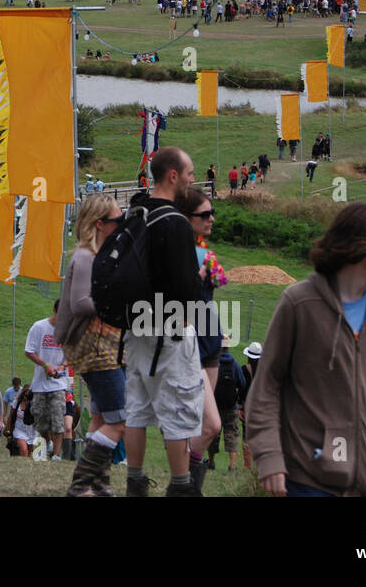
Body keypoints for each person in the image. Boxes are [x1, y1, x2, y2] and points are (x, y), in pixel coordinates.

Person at [246, 202, 366, 497]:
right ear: (362, 248)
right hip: (304, 479)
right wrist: (269, 457)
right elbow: (266, 385)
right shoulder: (299, 303)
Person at [123, 146, 205, 497]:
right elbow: (188, 288)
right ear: (173, 175)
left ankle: (135, 481)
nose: (192, 179)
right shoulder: (175, 223)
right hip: (170, 328)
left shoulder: (134, 211)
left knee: (138, 407)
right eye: (189, 172)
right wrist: (201, 277)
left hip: (135, 324)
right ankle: (181, 486)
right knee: (178, 407)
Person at [54, 192, 127, 496]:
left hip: (104, 346)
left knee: (100, 418)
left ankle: (99, 485)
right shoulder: (85, 257)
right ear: (100, 223)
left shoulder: (99, 256)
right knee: (122, 419)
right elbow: (82, 302)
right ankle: (81, 484)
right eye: (117, 220)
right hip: (96, 349)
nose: (122, 224)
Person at [23, 301, 70, 461]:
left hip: (59, 383)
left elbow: (71, 352)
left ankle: (56, 455)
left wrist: (63, 366)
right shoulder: (39, 327)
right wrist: (46, 365)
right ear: (54, 311)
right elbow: (29, 351)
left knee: (58, 419)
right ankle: (47, 442)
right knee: (40, 421)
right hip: (40, 383)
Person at [207, 337, 245, 472]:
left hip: (215, 405)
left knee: (213, 434)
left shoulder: (214, 362)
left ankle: (211, 462)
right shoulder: (234, 364)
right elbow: (242, 383)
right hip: (231, 406)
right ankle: (233, 465)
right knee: (232, 433)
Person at [238, 341, 261, 470]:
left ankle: (247, 465)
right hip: (260, 407)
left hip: (247, 407)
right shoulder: (264, 371)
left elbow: (241, 389)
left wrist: (240, 406)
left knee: (246, 435)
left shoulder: (243, 370)